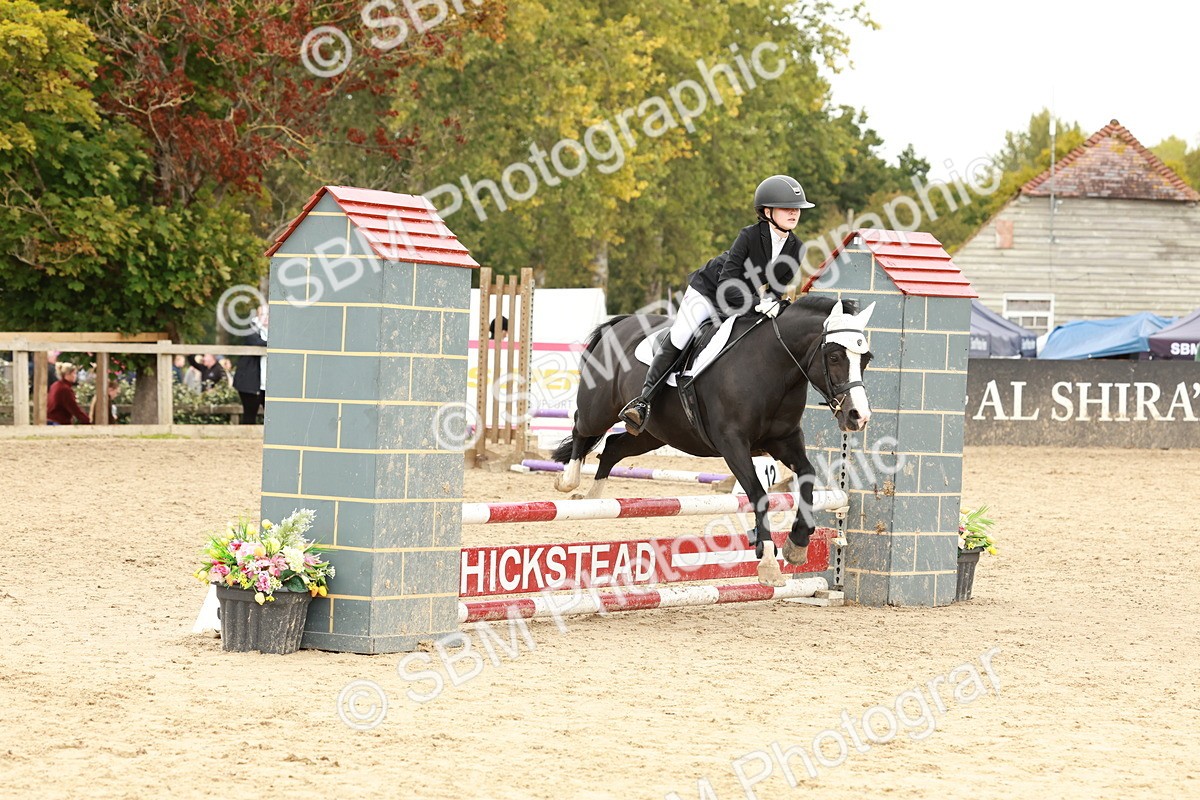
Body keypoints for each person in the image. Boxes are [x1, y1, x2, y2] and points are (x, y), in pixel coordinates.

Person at [618, 175, 814, 434]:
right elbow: (726, 284)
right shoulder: (749, 236)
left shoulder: (796, 247)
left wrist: (773, 305)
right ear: (767, 212)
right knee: (681, 336)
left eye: (797, 208)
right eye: (786, 207)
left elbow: (776, 289)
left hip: (741, 299)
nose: (794, 212)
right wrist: (758, 303)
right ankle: (642, 402)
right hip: (709, 291)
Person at [232, 307, 268, 424]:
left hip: (269, 384)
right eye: (262, 314)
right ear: (257, 316)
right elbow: (257, 342)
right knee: (249, 416)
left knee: (272, 418)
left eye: (268, 314)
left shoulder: (278, 331)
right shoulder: (251, 330)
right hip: (250, 383)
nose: (266, 317)